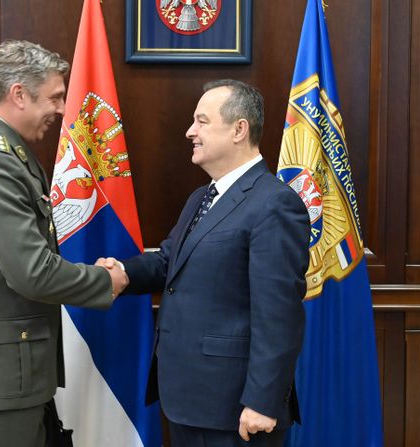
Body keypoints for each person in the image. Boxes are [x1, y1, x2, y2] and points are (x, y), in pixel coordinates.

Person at [0, 39, 127, 447]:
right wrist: (106, 281)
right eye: (54, 97)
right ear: (18, 94)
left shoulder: (1, 149)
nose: (62, 109)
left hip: (3, 371)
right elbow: (32, 272)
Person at [101, 79, 310, 447]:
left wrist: (262, 401)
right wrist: (122, 273)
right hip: (187, 398)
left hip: (235, 408)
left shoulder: (274, 203)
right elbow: (169, 262)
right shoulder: (201, 196)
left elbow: (279, 314)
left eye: (202, 121)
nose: (190, 131)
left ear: (239, 130)